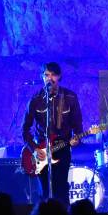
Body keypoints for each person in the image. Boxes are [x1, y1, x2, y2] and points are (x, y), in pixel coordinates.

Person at [22, 62, 83, 206]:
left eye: (53, 75)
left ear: (59, 76)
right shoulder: (35, 100)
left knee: (61, 188)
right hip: (41, 149)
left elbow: (78, 125)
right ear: (42, 77)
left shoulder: (70, 97)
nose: (50, 78)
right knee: (45, 191)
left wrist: (77, 138)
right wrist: (35, 149)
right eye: (46, 75)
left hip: (62, 148)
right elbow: (25, 130)